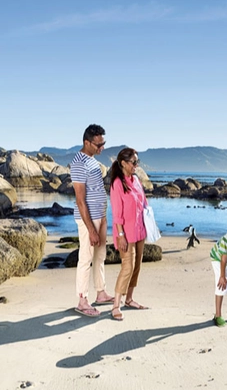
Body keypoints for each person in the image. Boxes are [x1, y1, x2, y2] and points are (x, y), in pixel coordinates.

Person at [71, 124, 114, 317]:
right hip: (88, 220)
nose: (102, 148)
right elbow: (80, 201)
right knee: (86, 258)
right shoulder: (79, 163)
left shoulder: (93, 161)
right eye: (98, 144)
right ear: (87, 142)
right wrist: (91, 229)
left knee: (100, 256)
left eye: (103, 143)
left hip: (100, 217)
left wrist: (103, 218)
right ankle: (82, 300)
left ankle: (101, 293)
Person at [109, 148, 149, 321]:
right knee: (127, 267)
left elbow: (144, 203)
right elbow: (117, 214)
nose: (136, 165)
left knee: (137, 266)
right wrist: (120, 235)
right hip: (125, 232)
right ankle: (116, 305)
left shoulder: (136, 180)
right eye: (133, 162)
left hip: (140, 230)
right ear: (124, 163)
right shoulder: (117, 184)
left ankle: (129, 299)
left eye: (137, 162)